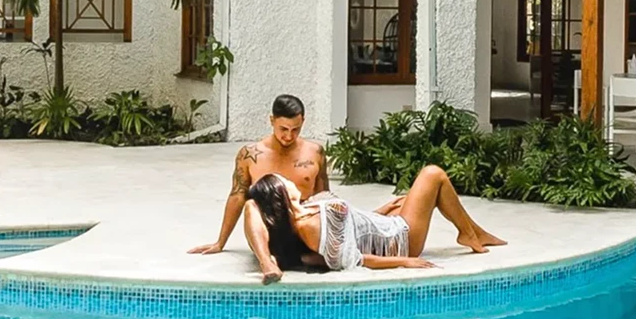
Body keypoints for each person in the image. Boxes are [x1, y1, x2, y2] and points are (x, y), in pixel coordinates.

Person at [245, 164, 505, 280]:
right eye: (283, 180)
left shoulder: (304, 213)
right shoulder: (311, 229)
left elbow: (348, 228)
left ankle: (474, 233)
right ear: (280, 194)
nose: (290, 180)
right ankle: (470, 235)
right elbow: (356, 259)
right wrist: (405, 260)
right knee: (432, 175)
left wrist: (377, 213)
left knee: (407, 199)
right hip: (399, 241)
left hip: (384, 226)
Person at [187, 95, 328, 275]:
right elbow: (237, 196)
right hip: (270, 231)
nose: (289, 136)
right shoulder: (250, 154)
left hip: (305, 230)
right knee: (251, 204)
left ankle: (293, 259)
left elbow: (324, 197)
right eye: (283, 129)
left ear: (303, 122)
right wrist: (220, 242)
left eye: (296, 129)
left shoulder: (315, 152)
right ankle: (267, 264)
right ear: (272, 120)